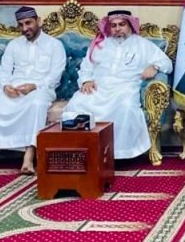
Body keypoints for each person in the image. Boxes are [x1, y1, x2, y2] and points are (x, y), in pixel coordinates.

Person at [63, 9, 172, 160]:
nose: (117, 28)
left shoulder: (142, 45)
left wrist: (155, 67)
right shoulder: (99, 45)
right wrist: (86, 80)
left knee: (126, 107)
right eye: (113, 25)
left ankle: (118, 154)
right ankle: (81, 153)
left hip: (126, 88)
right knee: (76, 103)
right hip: (99, 88)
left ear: (130, 25)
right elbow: (85, 68)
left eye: (122, 24)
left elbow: (167, 63)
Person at [0, 6, 67, 175]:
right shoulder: (14, 45)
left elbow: (55, 76)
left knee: (37, 105)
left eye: (28, 23)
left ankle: (28, 157)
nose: (24, 28)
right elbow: (4, 71)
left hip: (41, 89)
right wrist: (5, 86)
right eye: (21, 24)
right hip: (14, 89)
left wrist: (34, 86)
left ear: (38, 21)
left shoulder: (54, 45)